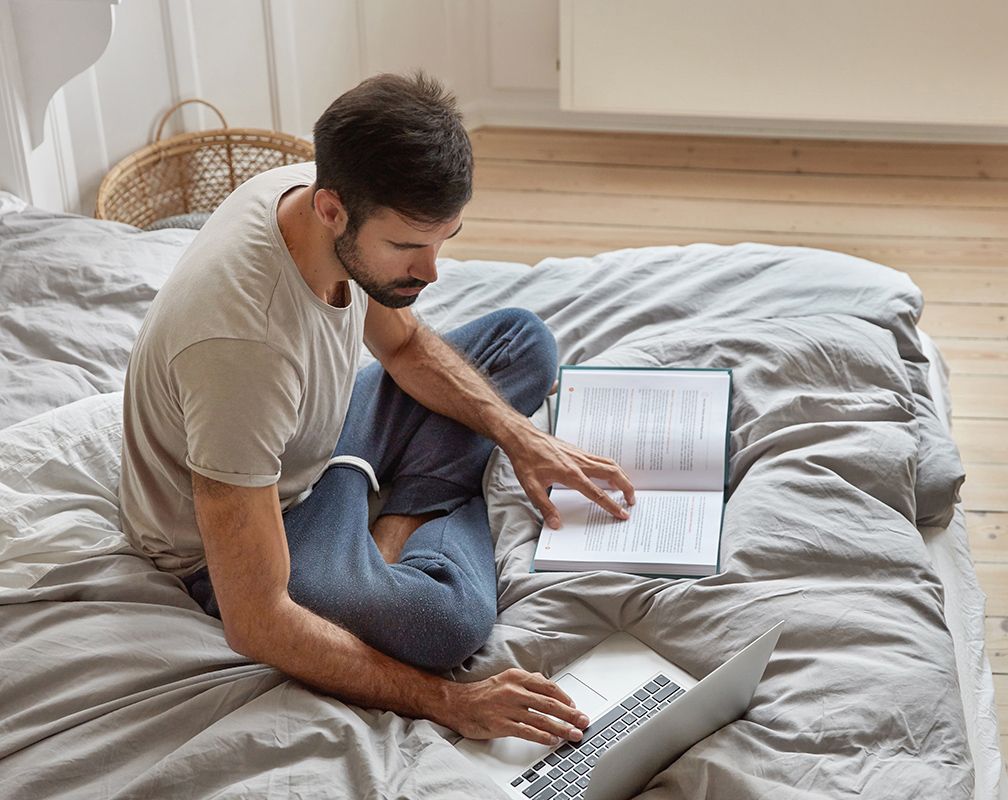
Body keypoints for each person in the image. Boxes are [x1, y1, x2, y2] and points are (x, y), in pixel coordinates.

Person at [119, 72, 636, 746]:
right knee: (445, 624)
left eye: (442, 240)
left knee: (522, 342)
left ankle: (395, 517)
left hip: (317, 435)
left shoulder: (315, 196)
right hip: (255, 528)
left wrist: (519, 438)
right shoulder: (242, 349)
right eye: (406, 248)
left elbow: (404, 345)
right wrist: (448, 701)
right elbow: (256, 618)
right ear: (332, 210)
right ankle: (413, 512)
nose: (431, 271)